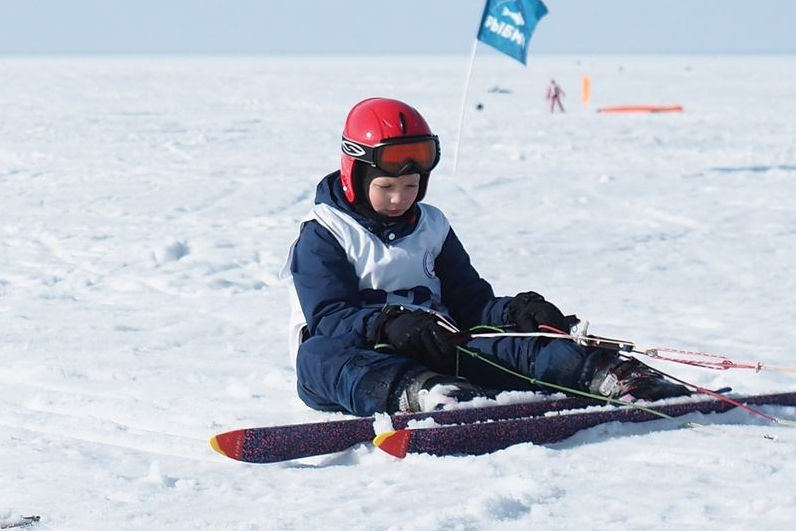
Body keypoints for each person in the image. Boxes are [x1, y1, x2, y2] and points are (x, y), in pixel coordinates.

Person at [289, 98, 683, 416]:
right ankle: (422, 395)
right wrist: (388, 325)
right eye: (387, 186)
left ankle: (608, 373)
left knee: (511, 340)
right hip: (362, 356)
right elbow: (329, 318)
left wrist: (515, 313)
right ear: (354, 176)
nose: (399, 198)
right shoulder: (325, 233)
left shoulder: (432, 226)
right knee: (315, 355)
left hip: (439, 347)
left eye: (410, 185)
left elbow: (470, 304)